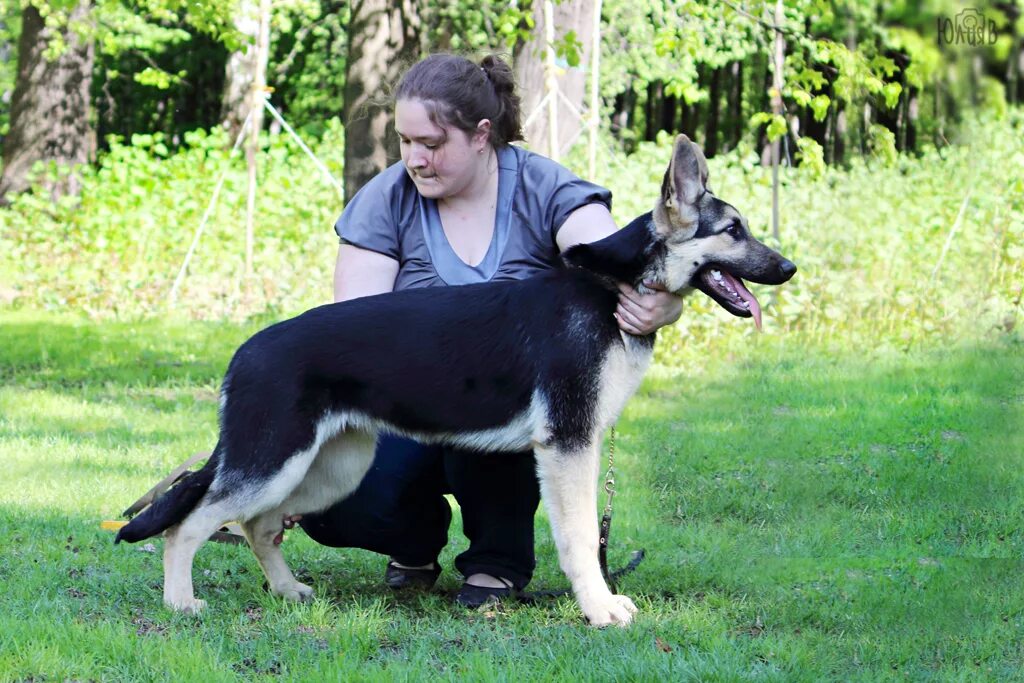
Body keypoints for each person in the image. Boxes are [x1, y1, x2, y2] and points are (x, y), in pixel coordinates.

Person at [298, 53, 682, 607]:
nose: (415, 160)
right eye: (405, 142)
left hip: (502, 408)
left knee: (506, 410)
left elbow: (615, 260)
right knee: (338, 504)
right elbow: (355, 333)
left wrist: (665, 305)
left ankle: (495, 564)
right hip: (407, 404)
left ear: (482, 135)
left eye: (431, 144)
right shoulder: (386, 198)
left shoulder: (545, 187)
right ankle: (415, 543)